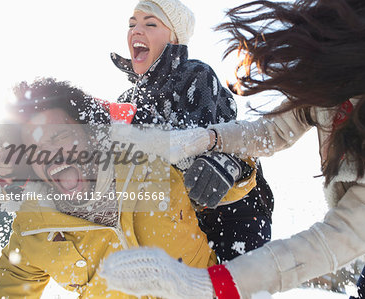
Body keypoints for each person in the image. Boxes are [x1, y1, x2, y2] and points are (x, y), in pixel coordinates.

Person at [100, 0, 365, 298]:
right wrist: (208, 138)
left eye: (150, 23)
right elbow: (272, 131)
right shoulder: (335, 88)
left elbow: (334, 239)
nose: (136, 30)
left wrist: (212, 284)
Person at [0, 78, 220, 298]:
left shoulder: (153, 163)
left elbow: (241, 193)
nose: (49, 154)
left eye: (58, 136)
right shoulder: (35, 230)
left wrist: (230, 168)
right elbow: (3, 292)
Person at [111, 0, 274, 262]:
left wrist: (224, 161)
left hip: (233, 213)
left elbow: (202, 142)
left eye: (150, 24)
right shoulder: (126, 101)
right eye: (132, 24)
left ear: (175, 38)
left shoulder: (195, 75)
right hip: (180, 218)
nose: (136, 30)